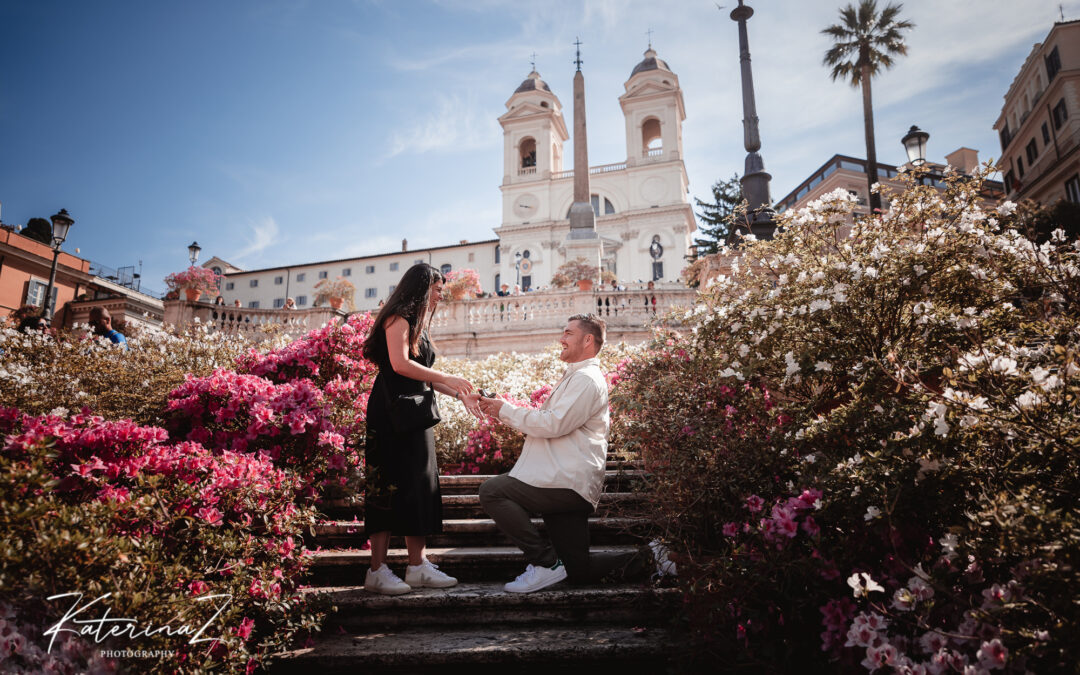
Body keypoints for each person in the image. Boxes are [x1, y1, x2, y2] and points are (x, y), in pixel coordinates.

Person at [475, 314, 666, 593]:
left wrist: (503, 409)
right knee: (580, 571)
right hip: (562, 482)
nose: (561, 339)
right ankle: (654, 558)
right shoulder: (577, 377)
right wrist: (502, 410)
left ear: (588, 340)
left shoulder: (587, 379)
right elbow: (552, 424)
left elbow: (553, 424)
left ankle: (546, 564)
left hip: (563, 482)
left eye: (568, 333)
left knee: (493, 491)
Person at [360, 263, 483, 595]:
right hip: (389, 413)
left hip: (415, 413)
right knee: (385, 485)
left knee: (420, 484)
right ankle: (377, 570)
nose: (442, 294)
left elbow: (421, 372)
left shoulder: (419, 326)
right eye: (438, 288)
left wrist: (460, 393)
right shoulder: (397, 317)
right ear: (421, 287)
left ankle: (417, 566)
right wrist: (447, 378)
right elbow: (400, 364)